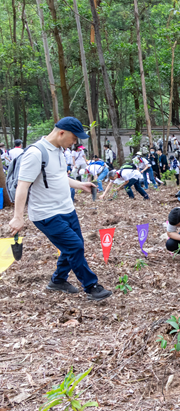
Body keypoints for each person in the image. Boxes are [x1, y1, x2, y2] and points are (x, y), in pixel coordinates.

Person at [8, 117, 112, 300]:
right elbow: (22, 186)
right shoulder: (36, 153)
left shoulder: (58, 151)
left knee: (71, 247)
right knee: (75, 246)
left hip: (66, 209)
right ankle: (91, 286)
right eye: (74, 138)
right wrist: (18, 217)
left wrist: (80, 185)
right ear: (61, 132)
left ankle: (58, 280)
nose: (75, 142)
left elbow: (58, 177)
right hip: (46, 214)